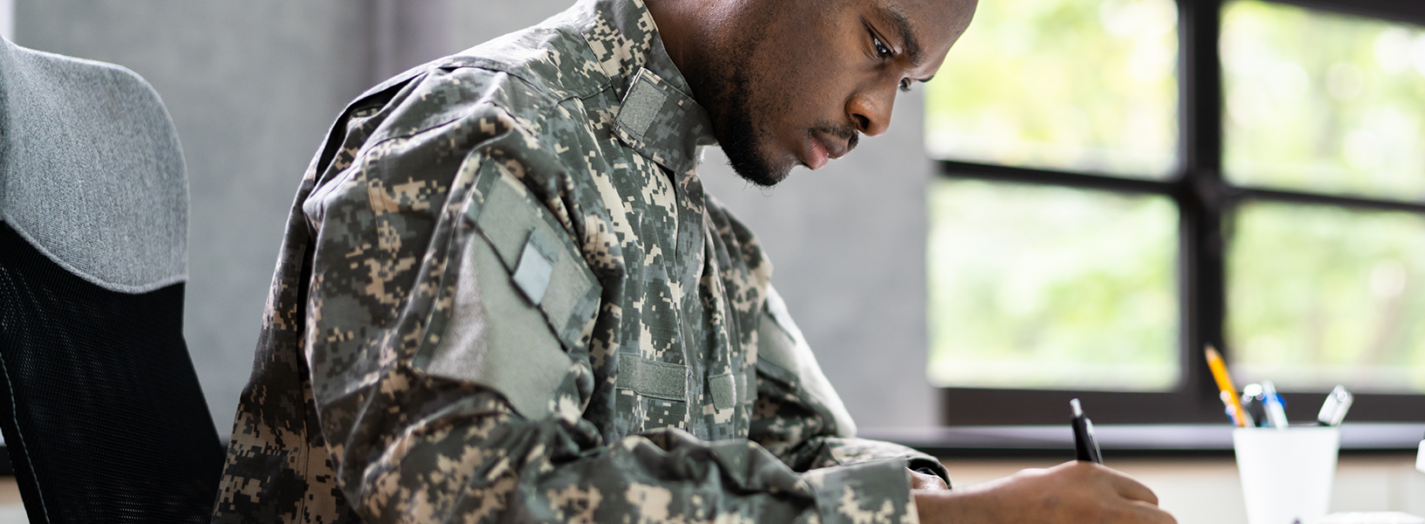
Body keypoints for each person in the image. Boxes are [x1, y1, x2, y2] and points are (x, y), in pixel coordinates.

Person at [210, 0, 1178, 522]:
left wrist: (960, 507)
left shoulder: (700, 228)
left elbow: (807, 450)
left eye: (908, 85)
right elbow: (462, 496)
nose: (877, 112)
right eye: (880, 44)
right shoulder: (494, 137)